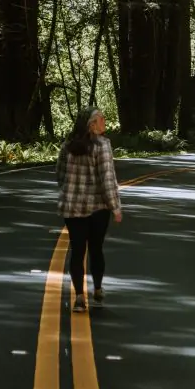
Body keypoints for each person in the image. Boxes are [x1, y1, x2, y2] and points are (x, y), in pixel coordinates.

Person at [56, 106, 122, 312]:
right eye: (101, 119)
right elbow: (107, 180)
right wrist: (115, 207)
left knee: (77, 251)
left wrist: (69, 192)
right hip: (97, 208)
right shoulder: (102, 145)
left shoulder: (67, 145)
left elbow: (59, 174)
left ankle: (78, 297)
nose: (105, 122)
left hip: (72, 207)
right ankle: (98, 289)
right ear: (92, 125)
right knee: (96, 248)